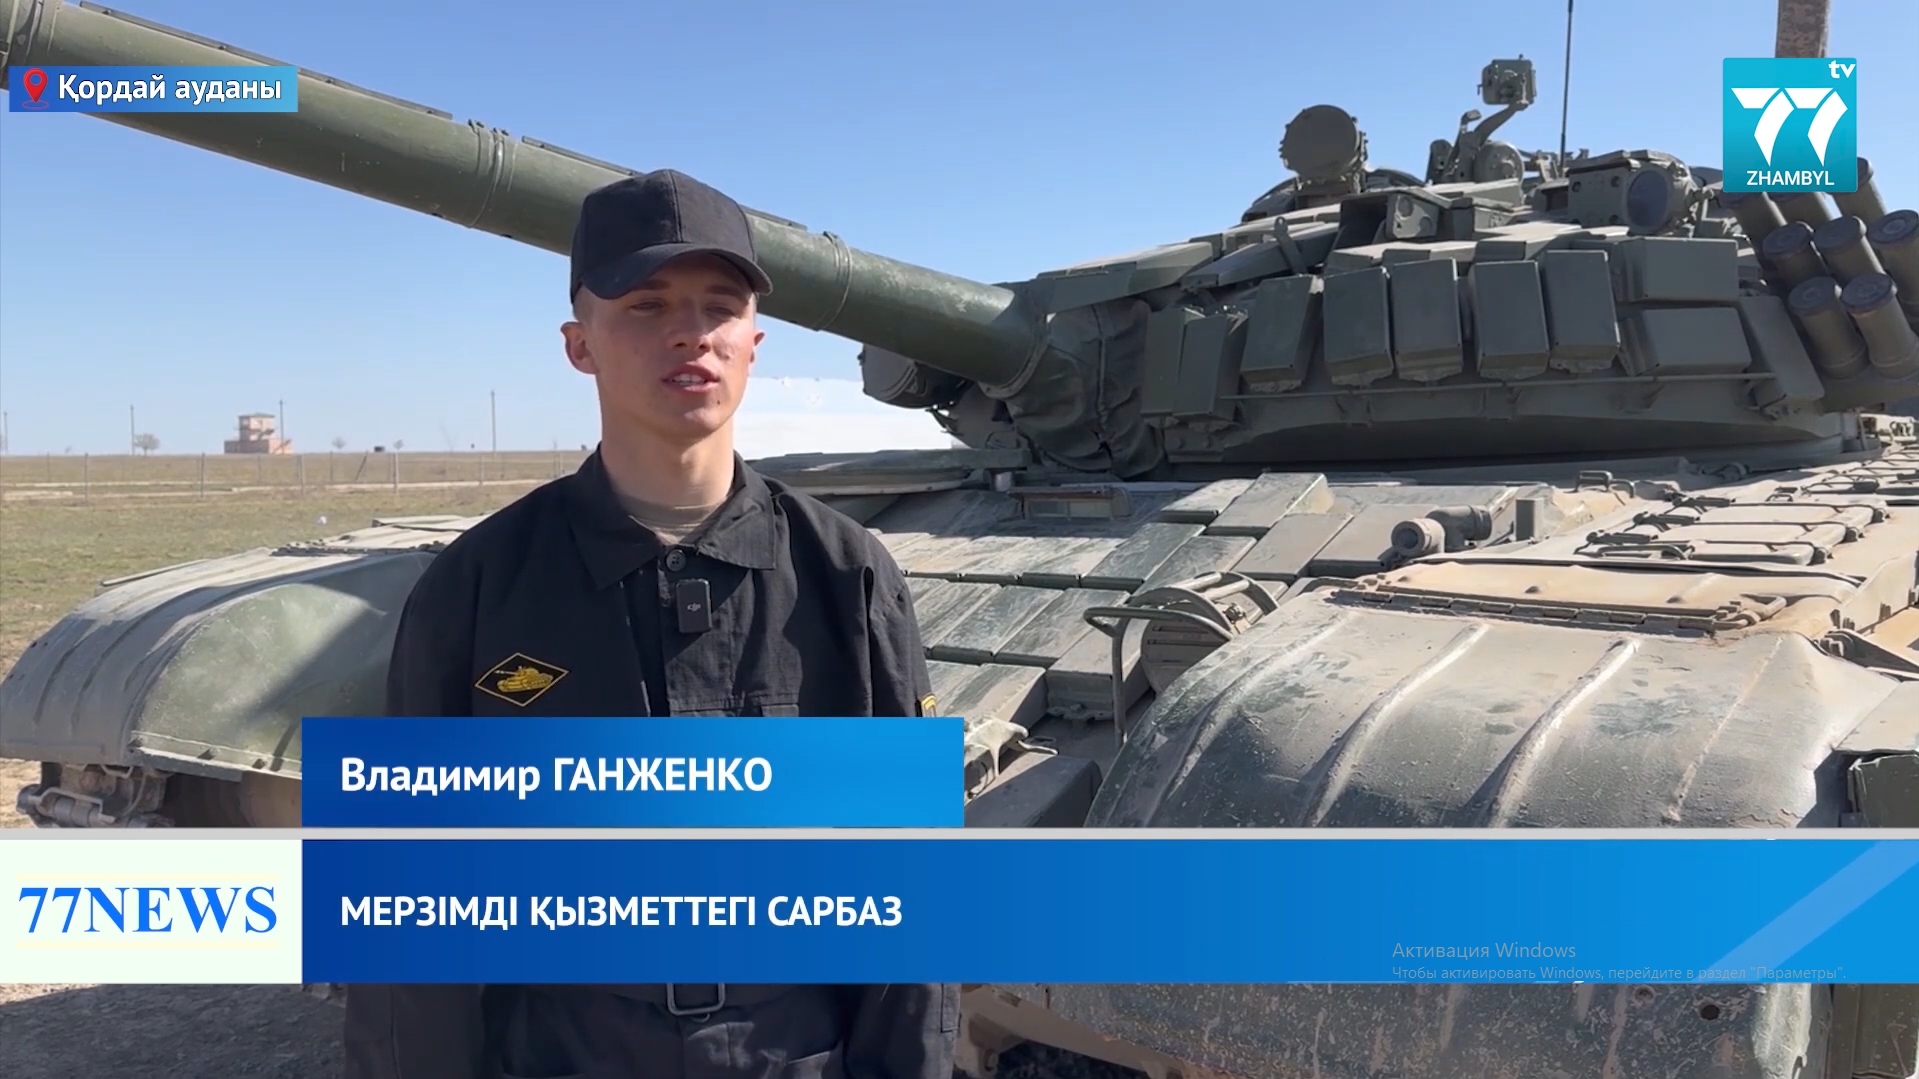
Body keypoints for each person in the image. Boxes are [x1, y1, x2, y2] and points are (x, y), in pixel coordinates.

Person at [342, 169, 958, 1079]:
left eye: (720, 306)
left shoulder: (843, 574)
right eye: (645, 304)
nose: (689, 332)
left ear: (752, 343)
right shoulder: (480, 585)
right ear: (578, 345)